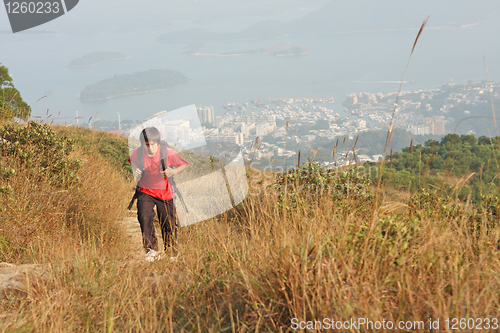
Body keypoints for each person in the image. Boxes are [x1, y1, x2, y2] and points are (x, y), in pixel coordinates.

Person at [128, 127, 189, 261]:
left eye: (153, 144)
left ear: (158, 142)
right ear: (143, 144)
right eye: (147, 145)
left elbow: (184, 164)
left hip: (165, 192)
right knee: (144, 216)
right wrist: (136, 170)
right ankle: (152, 250)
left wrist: (172, 172)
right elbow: (132, 162)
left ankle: (172, 252)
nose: (150, 148)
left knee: (168, 223)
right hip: (145, 190)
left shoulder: (167, 152)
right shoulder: (137, 153)